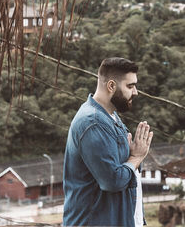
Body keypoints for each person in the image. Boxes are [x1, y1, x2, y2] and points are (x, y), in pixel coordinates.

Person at [63, 57, 153, 227]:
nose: (136, 92)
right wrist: (136, 157)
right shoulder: (92, 123)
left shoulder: (111, 117)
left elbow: (127, 169)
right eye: (130, 86)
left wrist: (133, 155)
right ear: (111, 86)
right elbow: (113, 181)